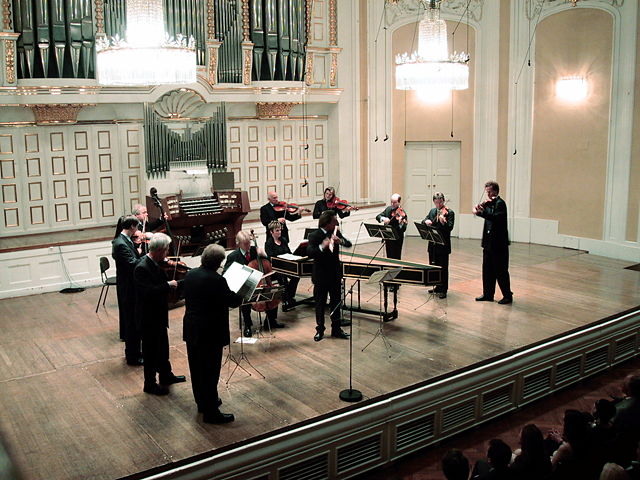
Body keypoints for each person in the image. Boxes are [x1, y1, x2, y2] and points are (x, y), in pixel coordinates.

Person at [182, 244, 243, 424]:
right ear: (219, 262)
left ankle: (203, 403)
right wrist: (242, 291)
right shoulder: (216, 280)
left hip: (192, 329)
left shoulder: (191, 274)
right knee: (210, 372)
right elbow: (232, 301)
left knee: (197, 369)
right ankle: (211, 413)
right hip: (209, 332)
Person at [134, 233, 186, 395]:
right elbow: (148, 292)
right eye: (166, 251)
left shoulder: (155, 263)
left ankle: (165, 375)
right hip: (148, 317)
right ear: (159, 250)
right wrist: (168, 285)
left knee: (162, 348)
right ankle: (149, 383)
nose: (167, 254)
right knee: (150, 352)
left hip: (158, 315)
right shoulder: (142, 268)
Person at [223, 230, 283, 337]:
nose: (248, 246)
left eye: (249, 243)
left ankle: (271, 320)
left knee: (273, 292)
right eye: (245, 244)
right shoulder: (233, 256)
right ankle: (247, 325)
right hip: (244, 285)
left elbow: (267, 264)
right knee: (245, 296)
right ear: (238, 243)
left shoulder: (255, 251)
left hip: (260, 282)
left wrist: (265, 255)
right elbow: (226, 274)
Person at [307, 210, 351, 342]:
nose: (336, 222)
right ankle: (320, 330)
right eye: (334, 220)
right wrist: (322, 246)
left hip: (334, 274)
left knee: (336, 302)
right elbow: (310, 252)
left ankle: (336, 329)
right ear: (327, 223)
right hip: (321, 276)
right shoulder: (315, 235)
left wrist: (340, 241)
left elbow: (348, 243)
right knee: (320, 304)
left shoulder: (335, 232)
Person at [472, 181, 513, 304]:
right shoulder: (489, 204)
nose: (488, 195)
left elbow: (495, 217)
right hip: (488, 243)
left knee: (501, 271)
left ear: (496, 191)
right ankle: (488, 294)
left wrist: (481, 212)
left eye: (490, 192)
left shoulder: (500, 204)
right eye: (487, 192)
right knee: (487, 269)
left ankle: (507, 295)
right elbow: (485, 214)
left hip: (499, 244)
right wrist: (478, 209)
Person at [112, 216, 143, 363]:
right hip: (128, 288)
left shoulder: (124, 240)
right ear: (131, 226)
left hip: (130, 286)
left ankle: (136, 352)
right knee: (131, 322)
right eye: (136, 227)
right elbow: (132, 264)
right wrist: (147, 257)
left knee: (134, 321)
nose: (137, 230)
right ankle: (133, 356)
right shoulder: (120, 244)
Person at [423, 192, 455, 299]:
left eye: (440, 202)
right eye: (436, 202)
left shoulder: (450, 212)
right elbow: (424, 220)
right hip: (432, 244)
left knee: (443, 268)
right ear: (434, 202)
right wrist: (426, 221)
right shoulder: (432, 211)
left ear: (443, 201)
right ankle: (437, 286)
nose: (438, 204)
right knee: (434, 266)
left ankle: (443, 289)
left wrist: (443, 222)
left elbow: (450, 228)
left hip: (443, 245)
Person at [264, 220, 299, 311]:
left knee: (296, 276)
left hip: (286, 266)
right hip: (276, 268)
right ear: (271, 232)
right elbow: (271, 257)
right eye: (277, 230)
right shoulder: (269, 243)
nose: (279, 232)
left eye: (280, 230)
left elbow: (288, 252)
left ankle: (290, 295)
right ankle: (286, 300)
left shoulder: (283, 240)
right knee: (282, 277)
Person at [376, 193, 407, 260]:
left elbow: (404, 228)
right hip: (388, 237)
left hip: (397, 239)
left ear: (399, 202)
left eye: (395, 202)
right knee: (389, 257)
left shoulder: (402, 213)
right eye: (391, 202)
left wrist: (401, 223)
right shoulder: (388, 209)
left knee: (396, 257)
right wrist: (383, 219)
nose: (392, 204)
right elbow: (378, 216)